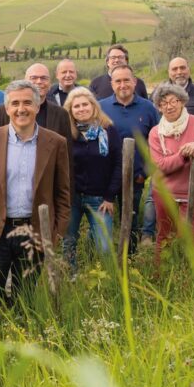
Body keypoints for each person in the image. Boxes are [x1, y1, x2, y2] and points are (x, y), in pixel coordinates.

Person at [0, 80, 71, 346]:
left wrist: (55, 234)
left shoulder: (55, 142)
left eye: (27, 103)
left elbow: (63, 193)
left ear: (37, 106)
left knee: (26, 299)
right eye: (15, 103)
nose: (21, 109)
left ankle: (23, 351)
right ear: (7, 107)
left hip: (34, 234)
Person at [148, 83, 194, 251]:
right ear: (159, 107)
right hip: (164, 193)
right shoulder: (155, 132)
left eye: (174, 101)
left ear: (182, 102)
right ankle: (161, 273)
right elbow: (162, 165)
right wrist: (185, 153)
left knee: (191, 237)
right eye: (163, 103)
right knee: (164, 236)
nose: (169, 106)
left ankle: (188, 274)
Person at [99, 65, 160, 252]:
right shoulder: (101, 107)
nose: (123, 84)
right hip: (106, 178)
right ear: (112, 84)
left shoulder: (148, 107)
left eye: (127, 80)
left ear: (134, 82)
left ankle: (130, 258)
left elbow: (157, 142)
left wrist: (146, 173)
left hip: (135, 176)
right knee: (104, 220)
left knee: (130, 218)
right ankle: (106, 260)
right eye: (118, 81)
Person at [61, 88, 121, 272]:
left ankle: (105, 281)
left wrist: (110, 197)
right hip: (73, 198)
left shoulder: (108, 130)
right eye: (76, 106)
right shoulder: (67, 134)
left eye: (84, 104)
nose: (81, 109)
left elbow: (118, 164)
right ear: (70, 111)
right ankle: (71, 277)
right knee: (69, 241)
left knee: (104, 246)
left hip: (100, 199)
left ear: (93, 106)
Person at [0, 63, 73, 149]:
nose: (39, 81)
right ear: (24, 81)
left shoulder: (61, 114)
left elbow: (66, 152)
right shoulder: (3, 111)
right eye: (33, 78)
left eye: (44, 78)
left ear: (50, 83)